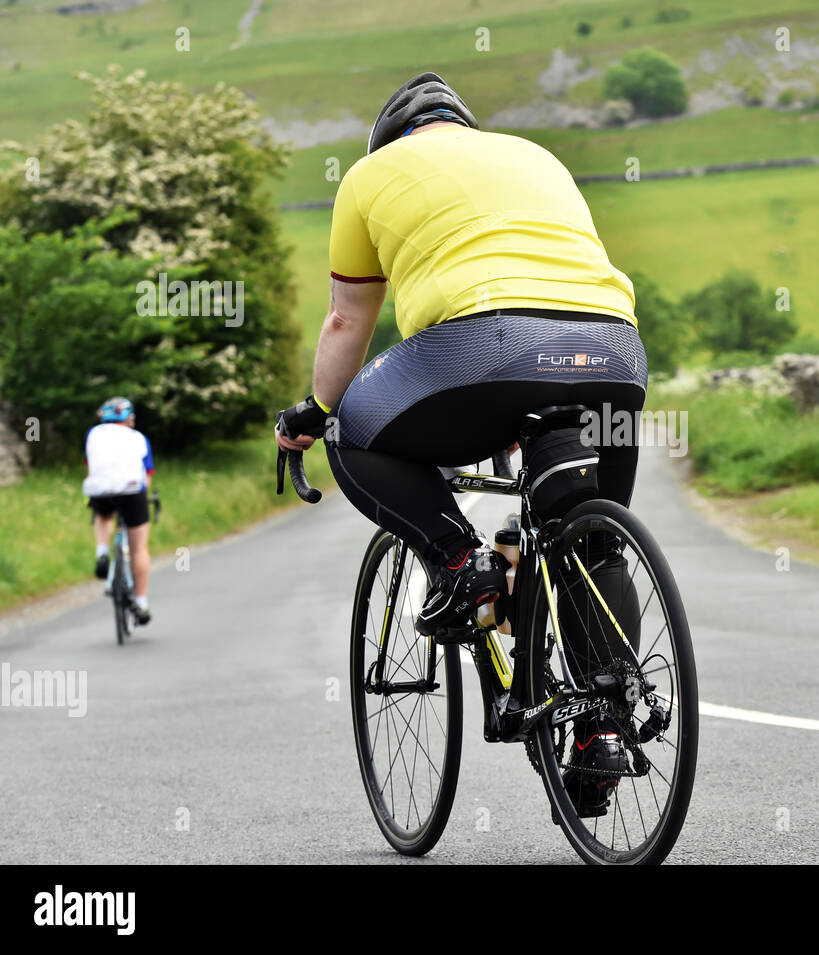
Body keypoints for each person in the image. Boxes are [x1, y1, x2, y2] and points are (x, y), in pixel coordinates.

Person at [274, 72, 647, 816]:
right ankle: (601, 732)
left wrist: (313, 412)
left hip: (485, 346)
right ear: (465, 128)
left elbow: (349, 322)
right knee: (588, 545)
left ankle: (460, 562)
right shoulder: (536, 156)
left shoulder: (369, 176)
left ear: (391, 136)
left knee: (353, 430)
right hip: (612, 353)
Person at [84, 397, 154, 624]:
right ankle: (141, 602)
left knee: (103, 515)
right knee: (139, 548)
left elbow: (91, 467)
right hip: (132, 491)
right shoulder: (138, 438)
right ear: (129, 418)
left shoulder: (92, 435)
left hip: (100, 490)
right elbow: (147, 475)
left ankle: (102, 551)